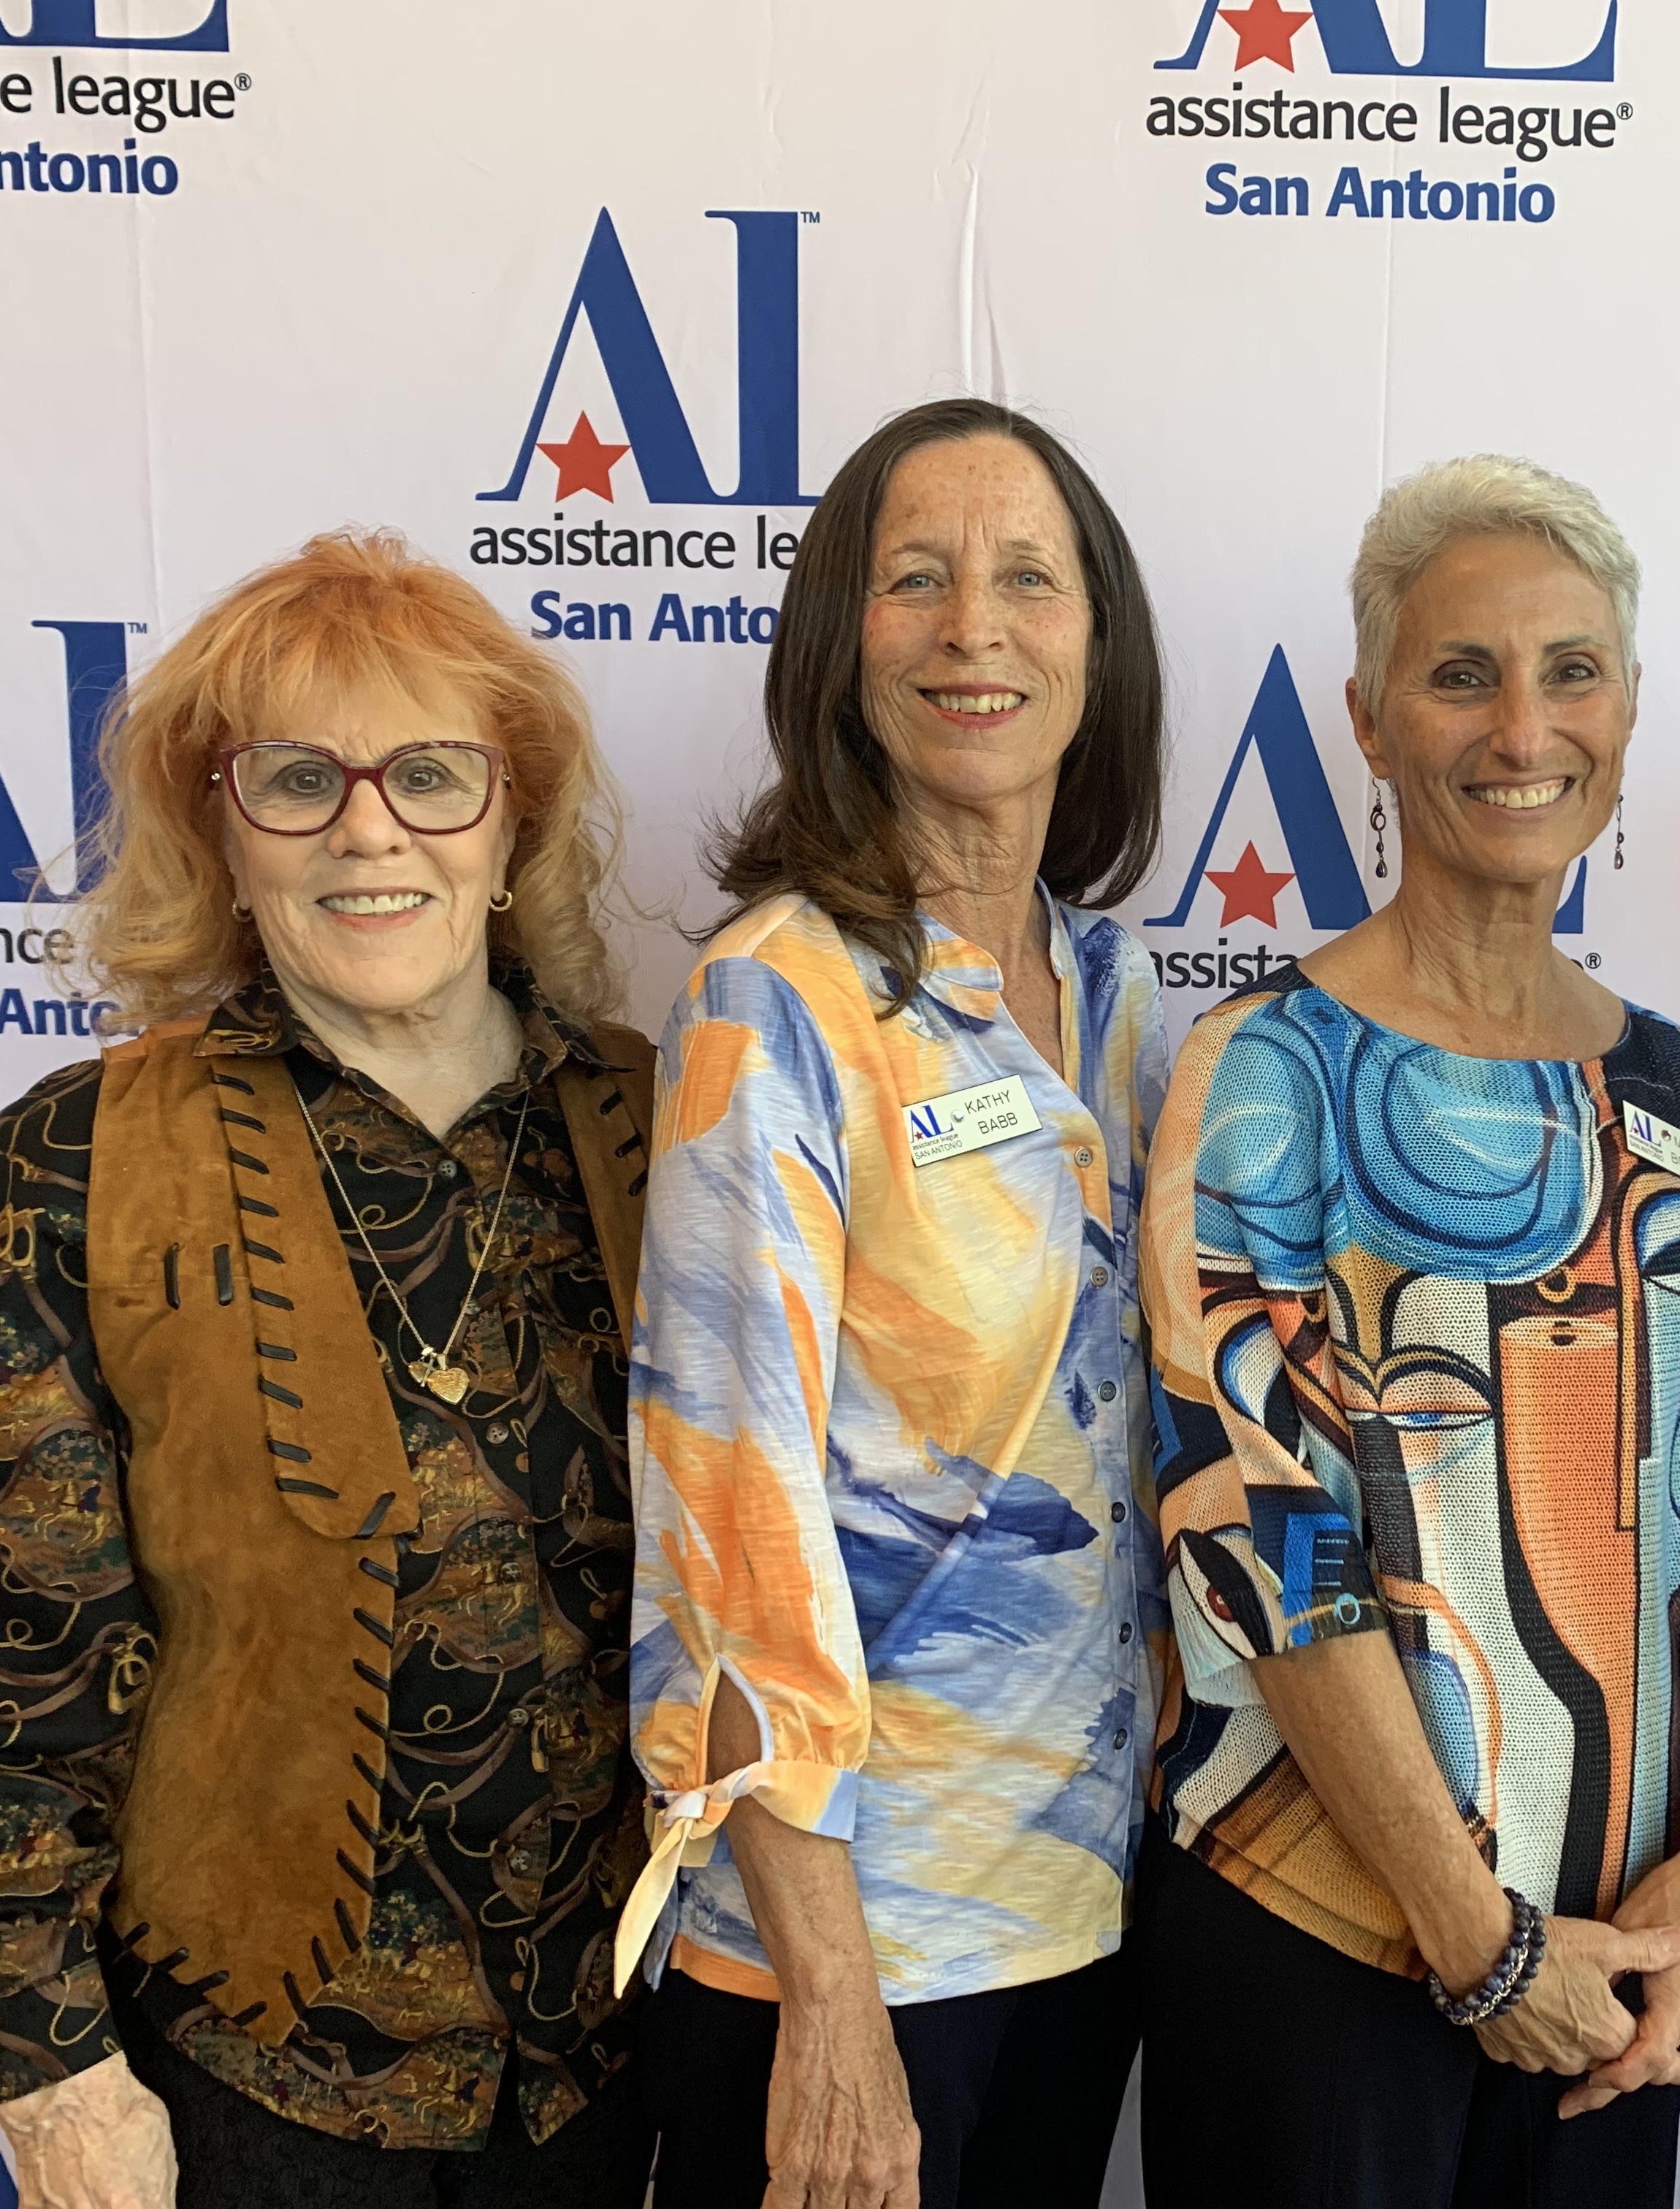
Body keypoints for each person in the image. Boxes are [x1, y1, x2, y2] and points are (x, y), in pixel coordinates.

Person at [0, 530, 660, 2207]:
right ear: (224, 836)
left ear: (512, 821)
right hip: (248, 2085)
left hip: (616, 2072)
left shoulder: (668, 1126)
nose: (370, 827)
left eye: (431, 774)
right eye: (298, 780)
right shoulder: (84, 1162)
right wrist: (58, 2074)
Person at [1136, 454, 1680, 2209]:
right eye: (1461, 674)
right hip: (1332, 1950)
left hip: (1611, 1980)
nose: (1524, 727)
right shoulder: (1266, 1068)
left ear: (1632, 707)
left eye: (1573, 670)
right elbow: (1258, 1533)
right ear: (1366, 718)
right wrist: (1473, 1936)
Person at [622, 398, 1170, 2209]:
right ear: (837, 645)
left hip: (1080, 1902)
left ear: (1100, 643)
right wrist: (832, 1995)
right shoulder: (774, 997)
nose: (973, 628)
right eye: (913, 580)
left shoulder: (1115, 994)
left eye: (1028, 578)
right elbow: (729, 1525)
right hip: (843, 1947)